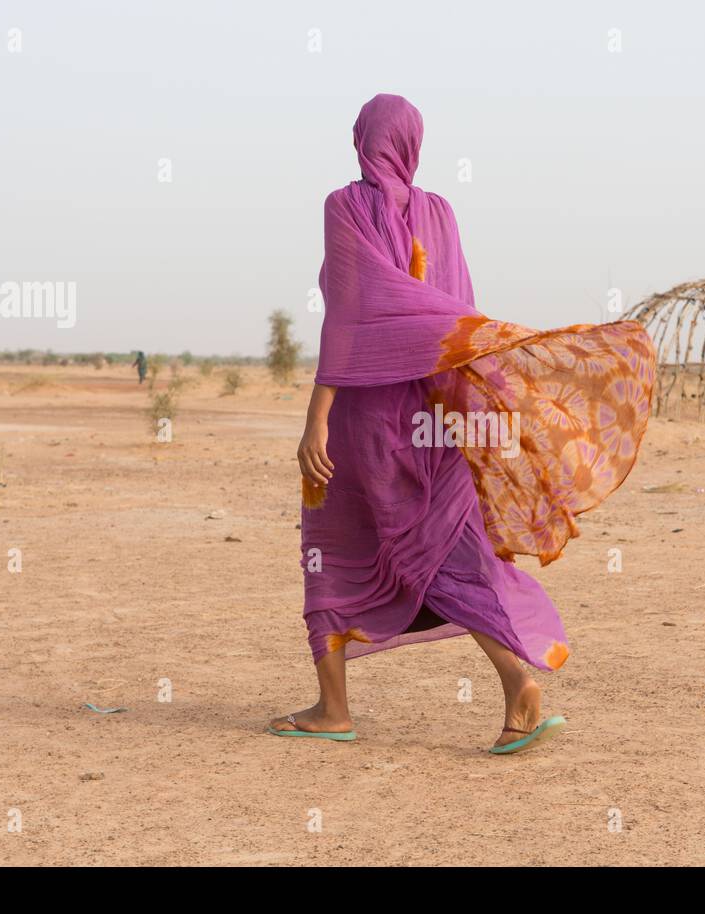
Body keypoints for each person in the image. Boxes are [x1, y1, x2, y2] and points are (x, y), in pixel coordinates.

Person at [269, 94, 655, 755]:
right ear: (413, 143)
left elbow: (352, 318)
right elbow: (457, 316)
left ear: (363, 139)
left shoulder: (345, 206)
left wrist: (316, 421)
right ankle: (516, 685)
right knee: (447, 549)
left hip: (365, 418)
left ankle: (334, 708)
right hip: (436, 417)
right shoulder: (441, 213)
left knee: (332, 546)